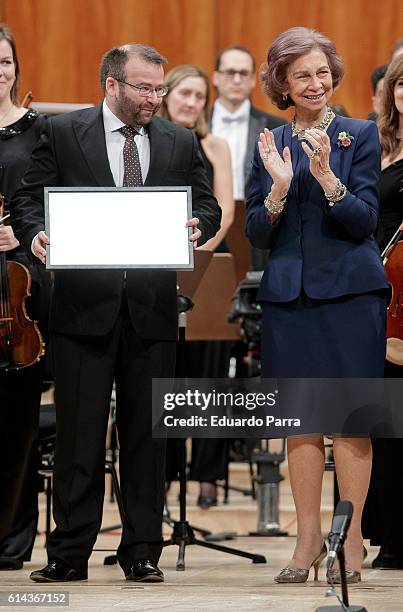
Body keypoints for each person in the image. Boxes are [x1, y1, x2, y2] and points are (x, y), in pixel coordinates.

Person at [11, 43, 221, 584]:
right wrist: (36, 236)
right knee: (79, 436)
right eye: (144, 88)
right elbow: (29, 199)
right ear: (111, 85)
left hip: (151, 311)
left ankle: (141, 550)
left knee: (148, 437)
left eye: (159, 88)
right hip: (82, 310)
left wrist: (197, 224)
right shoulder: (62, 133)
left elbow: (207, 203)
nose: (156, 98)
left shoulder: (178, 138)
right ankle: (68, 552)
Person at [246, 27, 388, 584]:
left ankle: (349, 543)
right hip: (288, 298)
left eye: (323, 73)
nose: (315, 83)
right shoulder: (269, 143)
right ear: (281, 82)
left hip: (352, 297)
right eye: (302, 74)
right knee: (300, 425)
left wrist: (329, 178)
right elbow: (258, 230)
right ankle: (305, 544)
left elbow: (364, 223)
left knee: (351, 423)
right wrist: (278, 190)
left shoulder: (360, 135)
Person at [159, 64, 234, 508]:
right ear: (167, 95)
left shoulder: (215, 145)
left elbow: (224, 210)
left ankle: (207, 475)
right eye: (184, 93)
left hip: (204, 267)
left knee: (210, 378)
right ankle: (164, 476)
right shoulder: (152, 141)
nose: (191, 103)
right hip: (155, 269)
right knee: (167, 375)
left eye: (200, 96)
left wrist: (195, 252)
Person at [0, 24, 50, 571]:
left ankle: (13, 541)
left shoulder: (42, 132)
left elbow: (56, 201)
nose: (0, 72)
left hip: (21, 293)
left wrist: (25, 230)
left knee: (17, 424)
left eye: (6, 62)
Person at [362, 53, 403, 569]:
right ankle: (390, 534)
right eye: (401, 84)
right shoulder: (377, 144)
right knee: (384, 419)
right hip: (375, 291)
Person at [211, 46, 285, 272]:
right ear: (215, 77)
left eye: (243, 73)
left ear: (253, 80)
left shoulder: (275, 127)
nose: (236, 80)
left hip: (254, 224)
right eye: (229, 72)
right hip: (207, 221)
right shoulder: (195, 124)